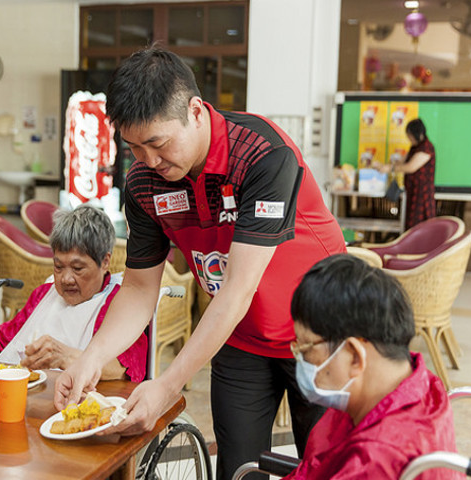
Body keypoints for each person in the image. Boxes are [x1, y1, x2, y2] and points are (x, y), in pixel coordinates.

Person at [54, 46, 346, 479]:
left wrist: (167, 387)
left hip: (320, 336)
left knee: (329, 468)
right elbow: (138, 288)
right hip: (241, 338)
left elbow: (238, 289)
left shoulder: (262, 155)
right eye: (135, 148)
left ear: (195, 111)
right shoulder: (145, 183)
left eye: (158, 143)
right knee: (240, 469)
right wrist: (91, 357)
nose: (150, 161)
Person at [284, 254, 463, 479]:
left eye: (306, 348)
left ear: (355, 356)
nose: (300, 361)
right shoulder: (419, 384)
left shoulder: (376, 462)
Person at [0, 205, 147, 382]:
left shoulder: (121, 304)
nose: (66, 279)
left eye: (78, 268)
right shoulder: (44, 293)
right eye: (58, 266)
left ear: (105, 261)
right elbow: (4, 341)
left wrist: (66, 357)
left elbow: (124, 370)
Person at [376, 118, 436, 230]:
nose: (408, 138)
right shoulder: (415, 147)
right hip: (412, 192)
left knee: (421, 228)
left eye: (409, 135)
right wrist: (385, 165)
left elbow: (410, 167)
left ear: (417, 134)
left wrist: (390, 168)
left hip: (421, 195)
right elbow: (403, 161)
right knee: (410, 227)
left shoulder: (426, 148)